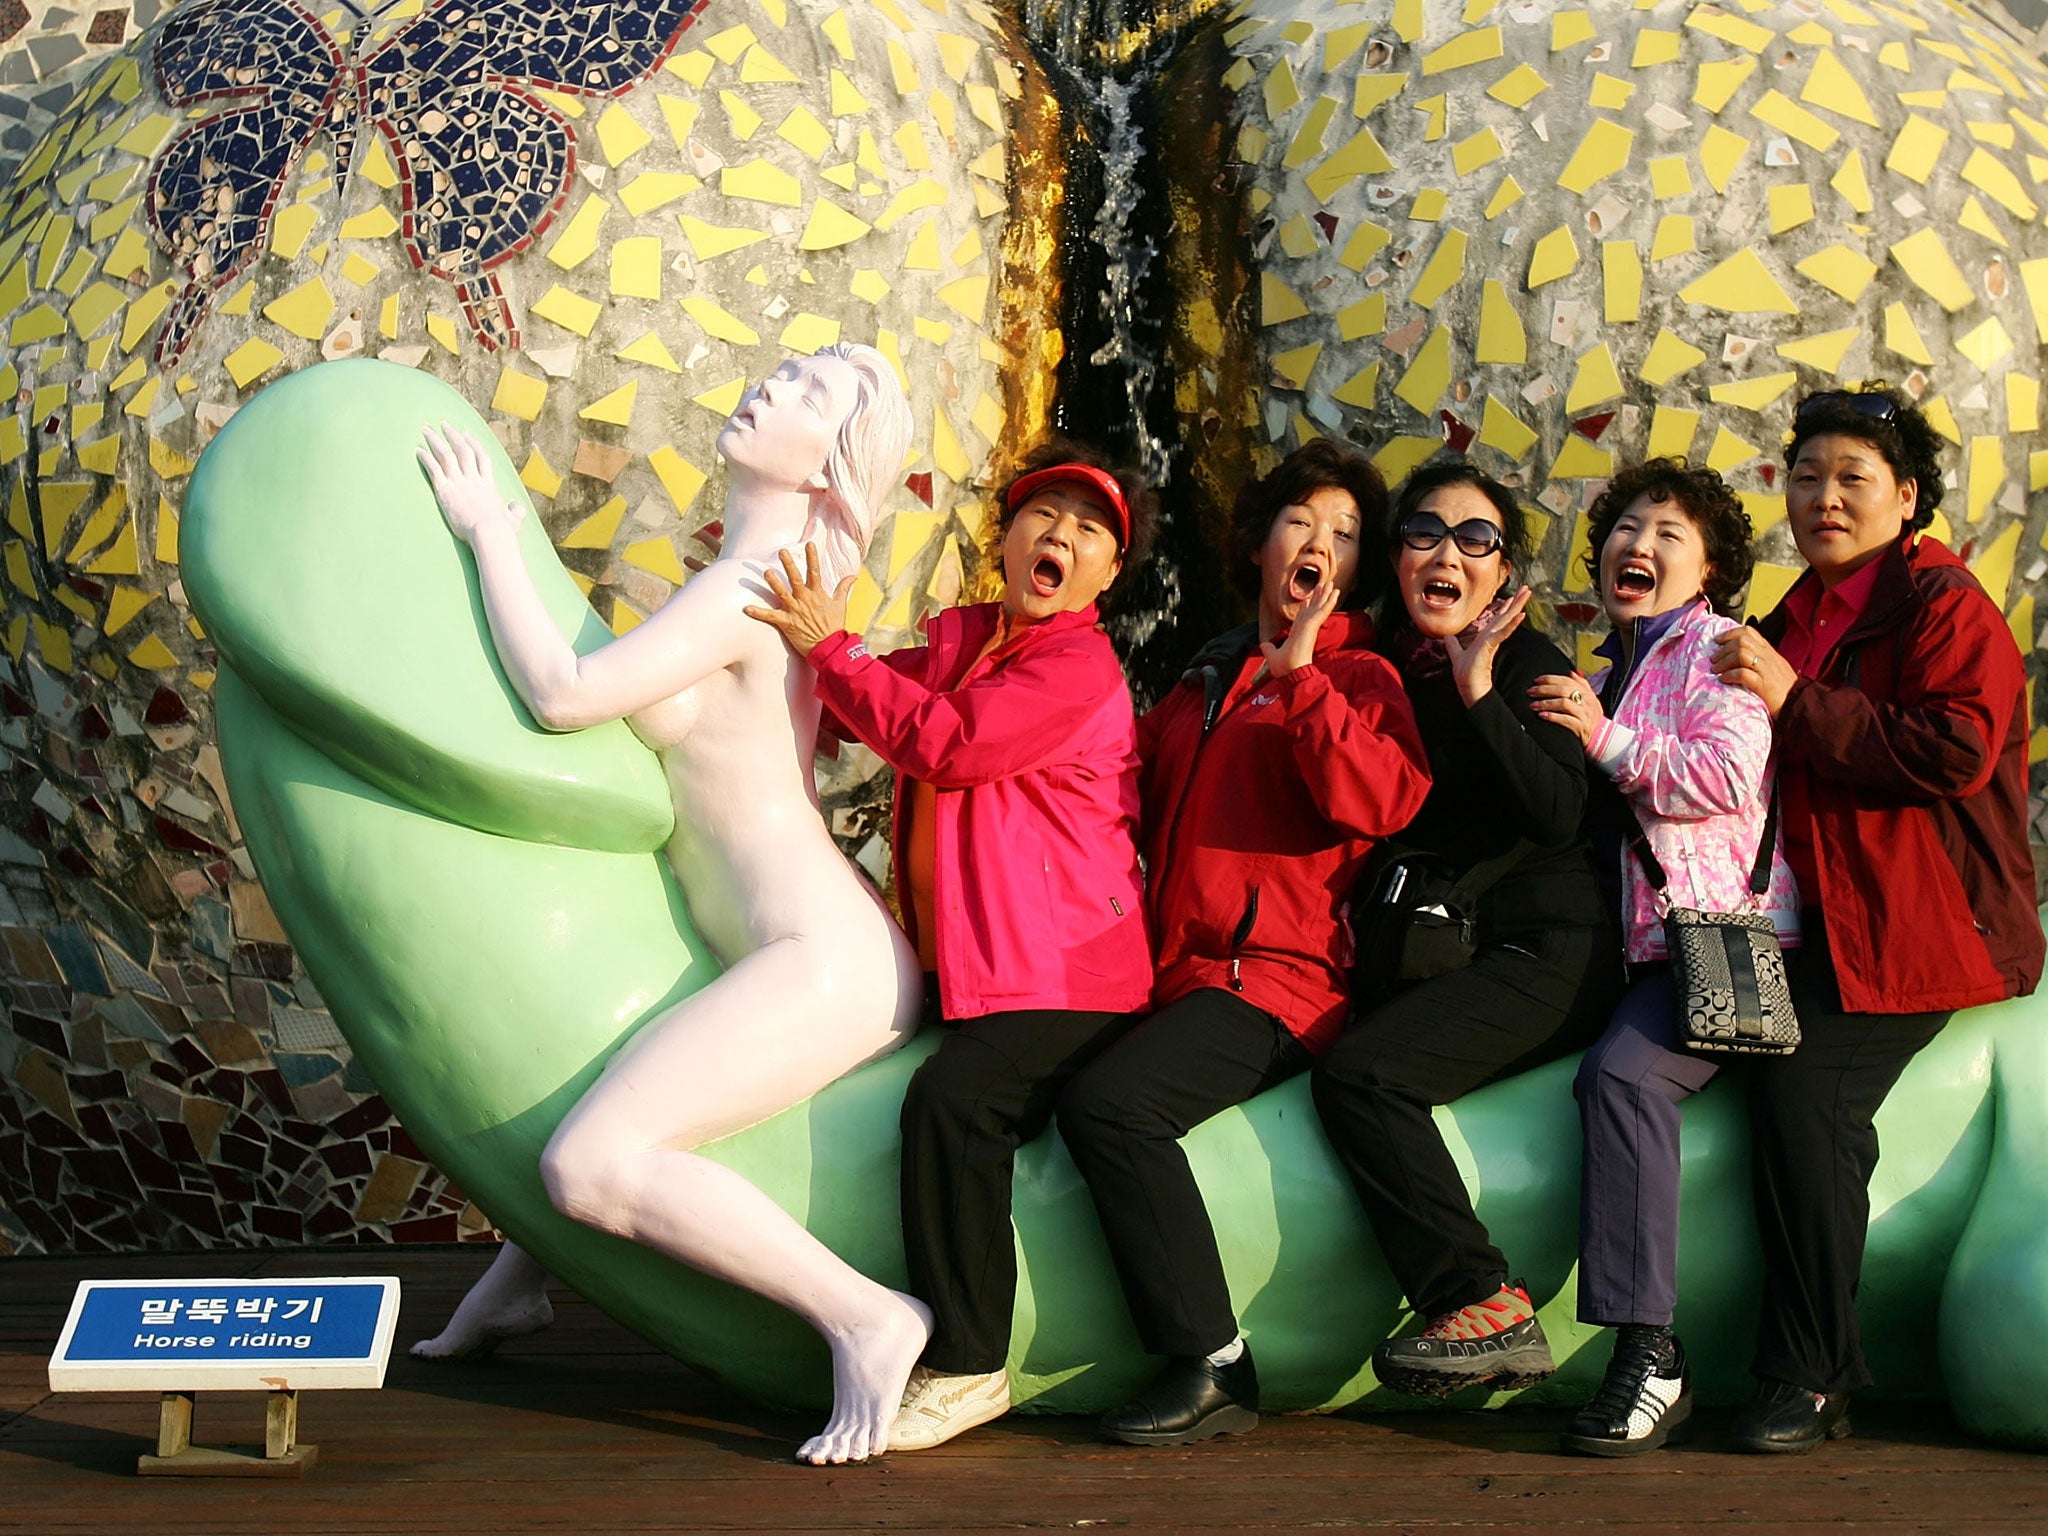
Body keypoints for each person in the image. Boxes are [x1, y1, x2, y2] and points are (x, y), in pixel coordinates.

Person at [412, 345, 932, 1466]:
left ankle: (866, 1317)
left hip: (820, 961)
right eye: (783, 371)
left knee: (591, 1163)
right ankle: (515, 1290)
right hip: (783, 947)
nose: (767, 387)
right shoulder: (776, 579)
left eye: (804, 394)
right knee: (610, 1085)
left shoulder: (750, 588)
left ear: (827, 465)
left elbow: (563, 695)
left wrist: (493, 532)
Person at [748, 438, 1158, 1454]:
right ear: (1006, 537)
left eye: (1088, 529)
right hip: (977, 975)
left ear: (1110, 573)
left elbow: (947, 743)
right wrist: (799, 679)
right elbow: (873, 700)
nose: (1058, 536)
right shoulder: (967, 640)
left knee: (952, 1102)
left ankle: (971, 1362)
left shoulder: (1076, 664)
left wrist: (829, 654)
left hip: (1068, 982)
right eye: (1040, 516)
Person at [1052, 438, 1432, 1446]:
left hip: (1278, 982)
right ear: (1259, 543)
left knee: (1114, 1106)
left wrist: (1303, 681)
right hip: (1169, 973)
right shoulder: (1204, 675)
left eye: (1347, 534)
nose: (1320, 543)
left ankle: (1211, 1362)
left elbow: (1383, 798)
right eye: (1301, 521)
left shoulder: (1359, 676)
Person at [1701, 386, 2041, 1451]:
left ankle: (1808, 1373)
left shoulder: (1943, 606)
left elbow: (1951, 750)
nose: (1822, 498)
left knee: (1805, 1090)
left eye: (1851, 477)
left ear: (1905, 497)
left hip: (1922, 933)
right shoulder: (1793, 612)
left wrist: (1793, 701)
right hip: (1813, 925)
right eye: (1804, 477)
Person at [1310, 459, 1624, 1400]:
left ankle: (1482, 1302)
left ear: (1504, 577)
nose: (1447, 552)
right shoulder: (1384, 668)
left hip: (1550, 953)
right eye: (1424, 533)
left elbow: (1558, 810)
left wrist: (1481, 683)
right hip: (1464, 945)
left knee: (1365, 1077)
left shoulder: (1529, 666)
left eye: (1475, 538)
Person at [1524, 460, 1798, 1456]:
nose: (1633, 548)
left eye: (1664, 534)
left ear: (1707, 569)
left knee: (1623, 1080)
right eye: (1622, 530)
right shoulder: (1603, 668)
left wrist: (1603, 738)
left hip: (1714, 945)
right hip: (1633, 953)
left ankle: (1651, 1352)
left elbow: (1725, 774)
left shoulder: (1718, 647)